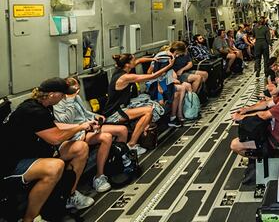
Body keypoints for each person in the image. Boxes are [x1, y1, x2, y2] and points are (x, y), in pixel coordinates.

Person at [3, 78, 96, 220]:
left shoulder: (44, 105)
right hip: (12, 164)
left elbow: (54, 126)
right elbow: (56, 138)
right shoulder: (32, 111)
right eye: (62, 94)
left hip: (34, 153)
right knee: (55, 167)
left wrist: (85, 124)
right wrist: (79, 127)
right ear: (52, 94)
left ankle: (68, 196)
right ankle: (28, 218)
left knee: (80, 148)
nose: (65, 97)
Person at [53, 77, 129, 193]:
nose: (78, 91)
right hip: (76, 132)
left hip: (89, 126)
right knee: (106, 137)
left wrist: (95, 116)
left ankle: (117, 162)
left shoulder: (77, 97)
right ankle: (99, 176)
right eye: (76, 89)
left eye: (79, 88)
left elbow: (85, 113)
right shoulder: (58, 103)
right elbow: (66, 121)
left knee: (122, 130)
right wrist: (70, 100)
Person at [104, 53, 174, 155]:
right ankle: (131, 144)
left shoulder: (122, 68)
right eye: (133, 60)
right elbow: (153, 76)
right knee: (148, 111)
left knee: (150, 107)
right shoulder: (125, 77)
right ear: (128, 64)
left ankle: (143, 129)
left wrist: (153, 58)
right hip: (114, 113)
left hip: (123, 107)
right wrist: (169, 66)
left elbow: (140, 60)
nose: (135, 61)